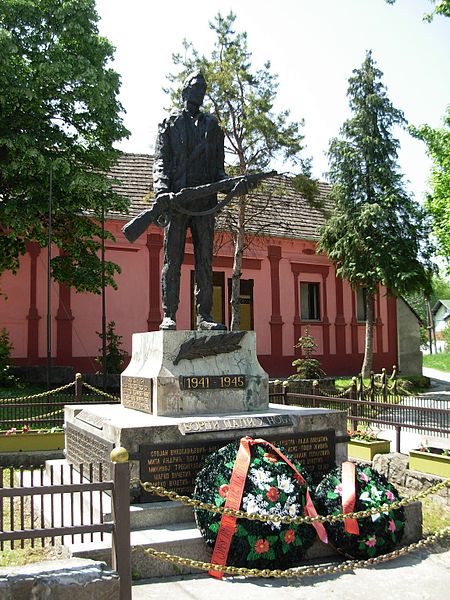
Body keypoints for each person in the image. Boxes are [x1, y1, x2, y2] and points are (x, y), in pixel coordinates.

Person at [153, 71, 229, 331]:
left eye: (203, 88)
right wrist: (162, 190)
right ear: (185, 91)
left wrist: (228, 183)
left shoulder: (213, 126)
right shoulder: (169, 122)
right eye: (195, 87)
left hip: (205, 202)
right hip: (177, 201)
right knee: (172, 260)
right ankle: (169, 314)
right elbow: (161, 161)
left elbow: (219, 167)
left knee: (205, 260)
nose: (200, 91)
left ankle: (204, 316)